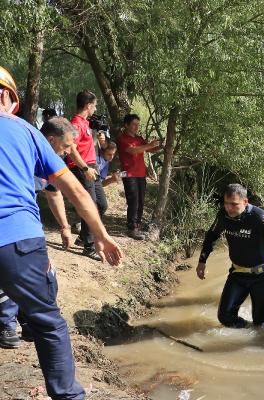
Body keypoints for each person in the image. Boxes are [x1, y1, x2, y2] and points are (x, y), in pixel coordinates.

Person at [0, 65, 123, 399]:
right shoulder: (24, 131)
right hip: (17, 239)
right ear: (6, 98)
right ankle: (68, 395)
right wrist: (101, 235)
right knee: (48, 321)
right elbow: (75, 192)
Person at [1, 117, 78, 349]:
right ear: (51, 140)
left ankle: (29, 321)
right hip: (8, 227)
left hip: (27, 230)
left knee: (45, 277)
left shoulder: (47, 161)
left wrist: (65, 227)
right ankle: (6, 325)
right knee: (9, 273)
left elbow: (54, 193)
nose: (67, 153)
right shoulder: (17, 148)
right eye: (65, 147)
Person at [196, 184, 264, 328]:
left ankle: (256, 334)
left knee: (260, 322)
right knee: (225, 317)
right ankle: (245, 329)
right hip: (238, 273)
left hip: (262, 275)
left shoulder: (260, 218)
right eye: (226, 204)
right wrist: (202, 261)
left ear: (245, 202)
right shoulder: (223, 216)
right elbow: (211, 236)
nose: (229, 208)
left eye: (234, 204)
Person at [67, 90, 106, 260]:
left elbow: (85, 146)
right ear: (88, 106)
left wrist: (100, 140)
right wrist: (84, 169)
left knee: (102, 204)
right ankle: (89, 246)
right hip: (82, 169)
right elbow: (71, 149)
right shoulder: (75, 123)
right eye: (94, 105)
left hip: (92, 167)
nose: (95, 108)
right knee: (90, 204)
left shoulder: (85, 123)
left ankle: (84, 236)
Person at [117, 114, 160, 240]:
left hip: (141, 174)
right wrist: (149, 145)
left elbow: (149, 150)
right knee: (133, 201)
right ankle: (132, 227)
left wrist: (157, 145)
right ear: (126, 125)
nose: (136, 127)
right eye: (134, 124)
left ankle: (138, 224)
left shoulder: (139, 138)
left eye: (137, 124)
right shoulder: (122, 139)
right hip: (129, 174)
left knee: (141, 201)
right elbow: (133, 150)